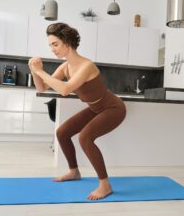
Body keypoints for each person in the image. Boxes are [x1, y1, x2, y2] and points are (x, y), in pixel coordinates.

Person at [28, 22, 126, 200]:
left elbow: (65, 89)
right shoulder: (65, 67)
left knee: (85, 138)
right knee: (62, 132)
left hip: (113, 108)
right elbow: (41, 88)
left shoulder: (86, 65)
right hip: (95, 108)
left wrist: (40, 72)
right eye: (50, 45)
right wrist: (35, 71)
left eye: (55, 44)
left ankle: (105, 185)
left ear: (67, 42)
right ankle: (74, 172)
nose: (52, 49)